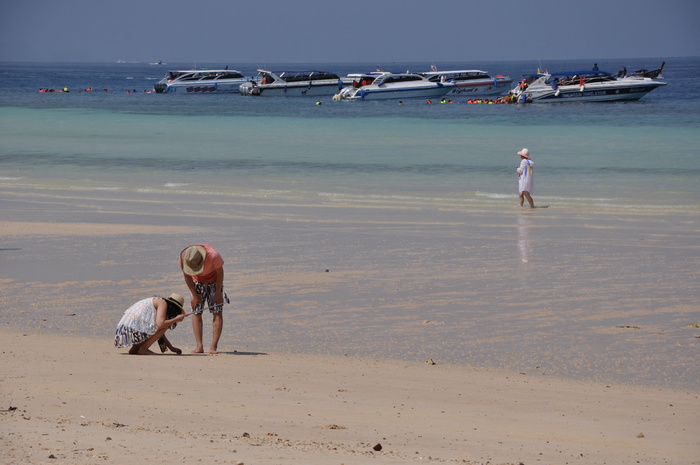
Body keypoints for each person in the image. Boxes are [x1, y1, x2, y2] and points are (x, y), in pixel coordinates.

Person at [179, 245, 229, 354]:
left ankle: (213, 347)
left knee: (217, 311)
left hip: (215, 281)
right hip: (196, 282)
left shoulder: (213, 255)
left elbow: (220, 273)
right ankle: (199, 346)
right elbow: (187, 276)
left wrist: (217, 293)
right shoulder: (184, 257)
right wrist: (195, 296)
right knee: (196, 311)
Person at [114, 293, 188, 355]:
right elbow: (161, 325)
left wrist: (171, 348)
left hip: (125, 330)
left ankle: (135, 349)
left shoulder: (157, 301)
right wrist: (176, 319)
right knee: (164, 326)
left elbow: (159, 333)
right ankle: (143, 349)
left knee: (158, 327)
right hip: (133, 329)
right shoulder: (162, 303)